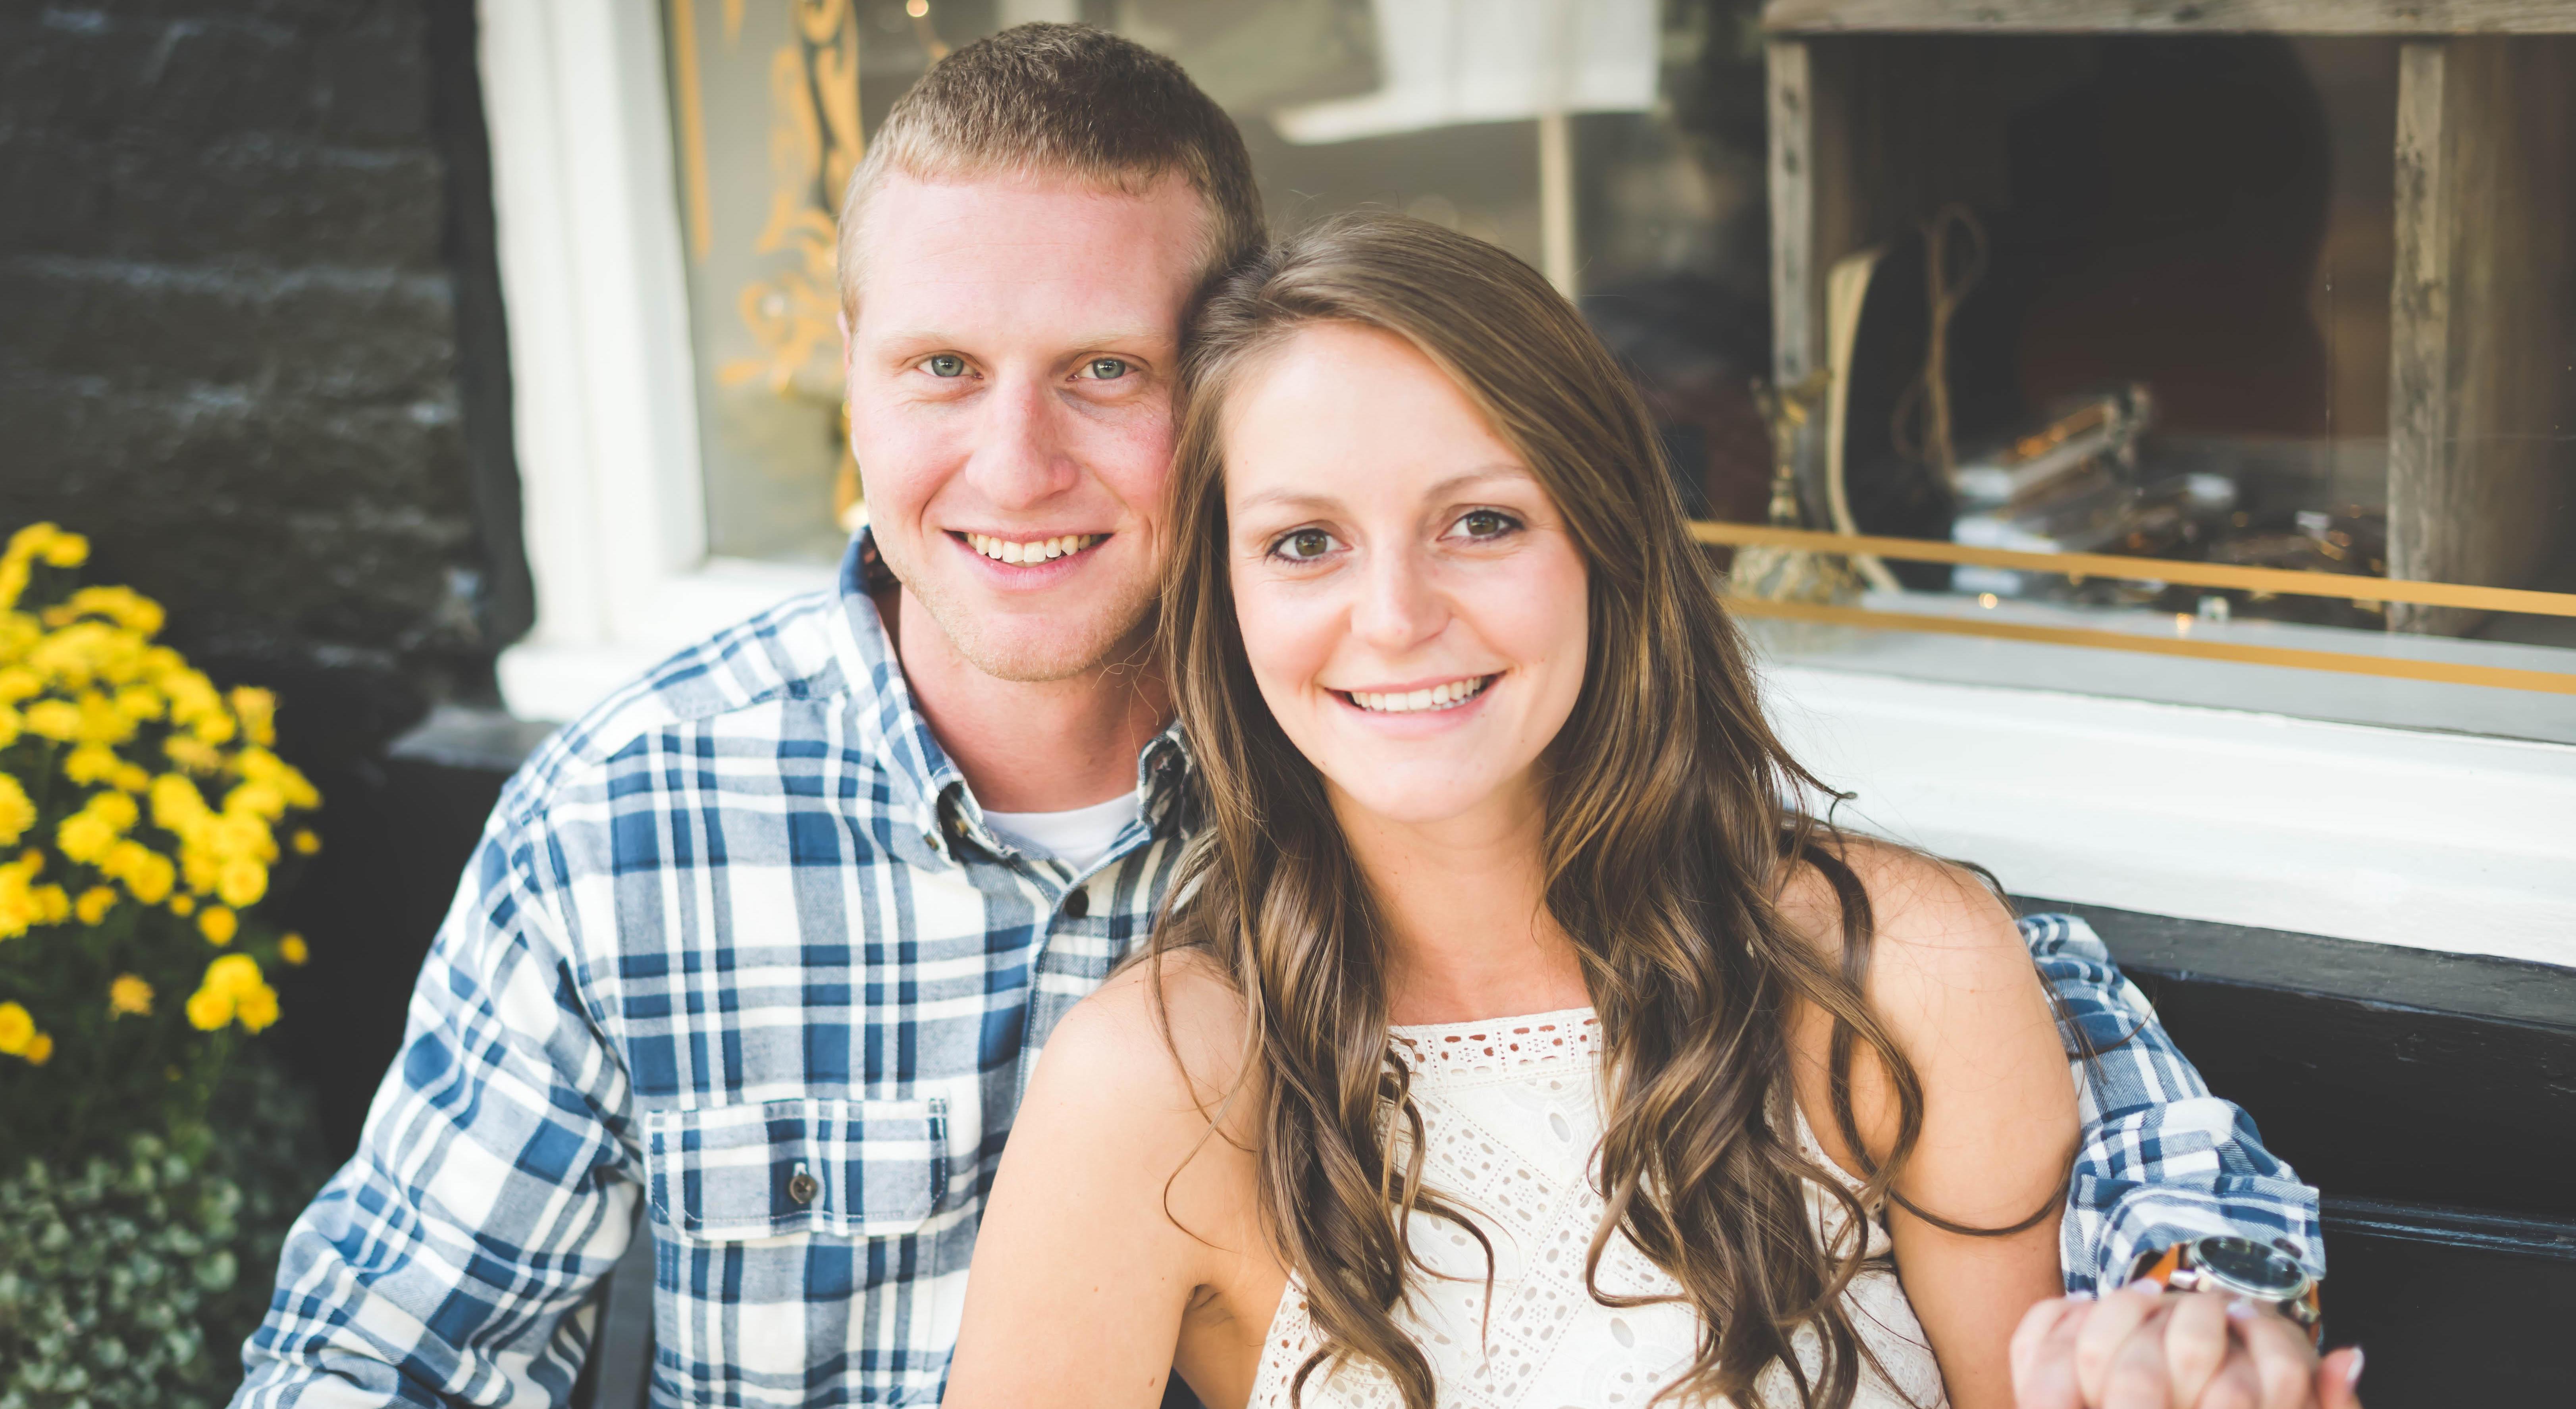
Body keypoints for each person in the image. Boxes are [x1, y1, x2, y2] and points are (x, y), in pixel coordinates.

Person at [232, 24, 2343, 1409]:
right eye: (943, 370)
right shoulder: (644, 817)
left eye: (1107, 373)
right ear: (847, 376)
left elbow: (1982, 1000)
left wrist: (2182, 1288)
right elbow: (382, 1357)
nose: (1015, 464)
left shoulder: (1374, 731)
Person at [939, 215, 2364, 1409]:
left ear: (1604, 540)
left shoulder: (1900, 969)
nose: (1396, 617)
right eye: (1303, 542)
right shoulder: (1160, 1082)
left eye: (1482, 522)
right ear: (1225, 598)